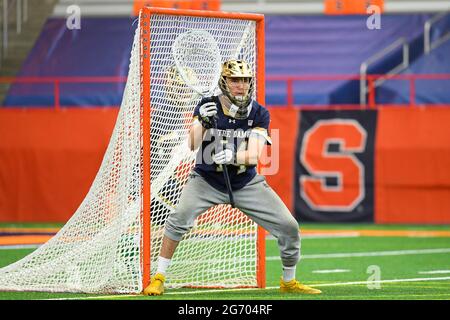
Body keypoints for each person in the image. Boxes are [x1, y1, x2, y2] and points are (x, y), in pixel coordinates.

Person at [143, 59, 321, 296]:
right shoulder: (207, 105)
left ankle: (288, 281)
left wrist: (234, 156)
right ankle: (159, 277)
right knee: (178, 218)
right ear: (224, 82)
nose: (241, 85)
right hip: (206, 180)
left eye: (245, 80)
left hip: (245, 183)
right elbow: (193, 143)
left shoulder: (259, 113)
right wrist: (203, 124)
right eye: (235, 80)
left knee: (289, 226)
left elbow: (255, 156)